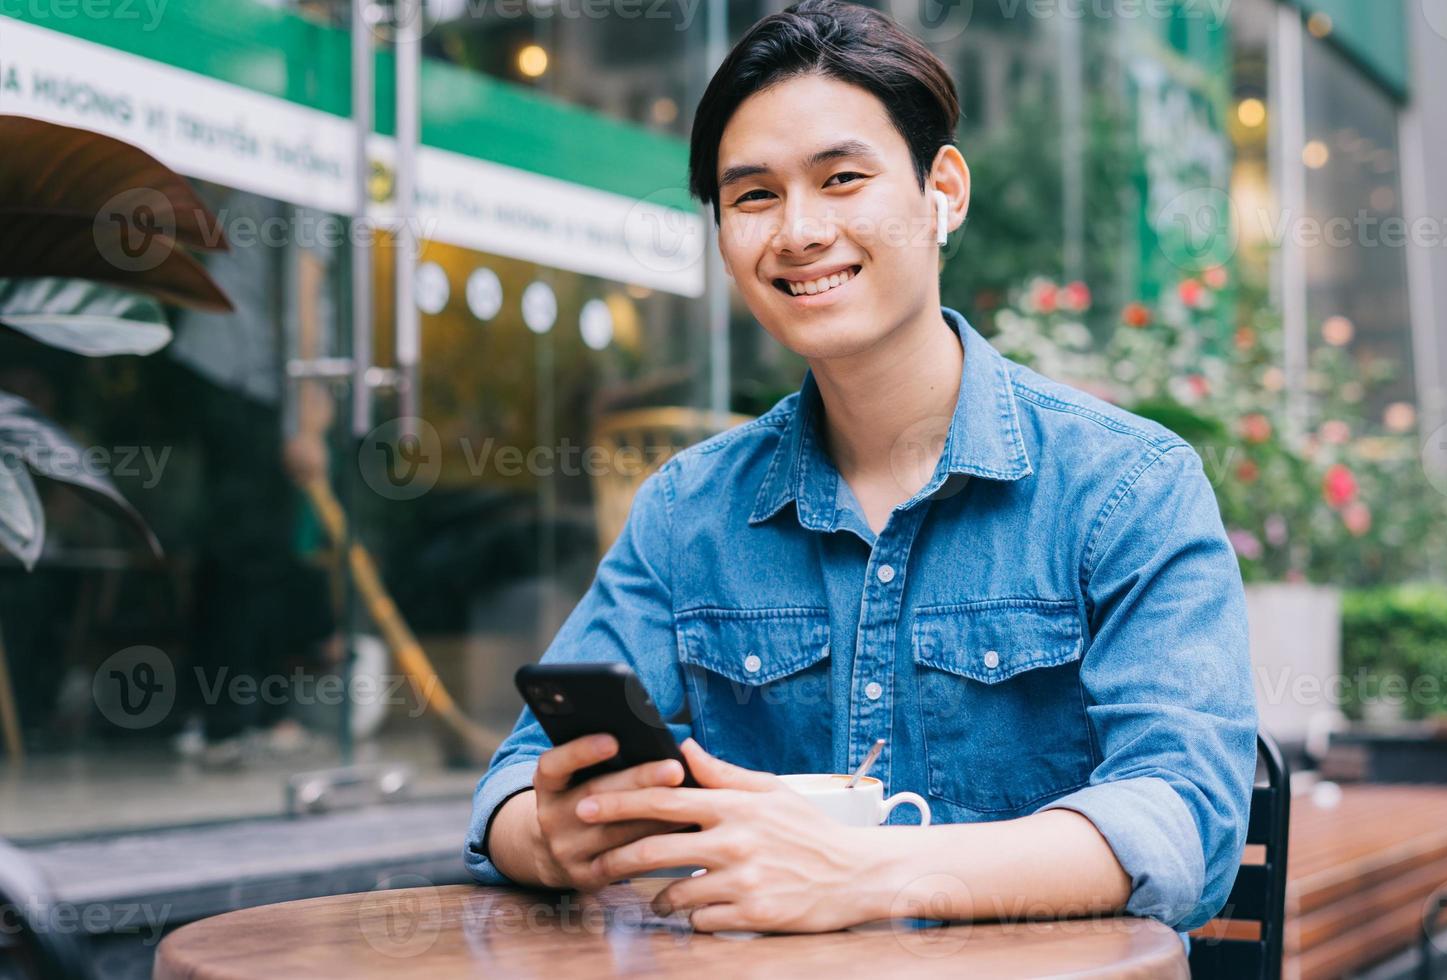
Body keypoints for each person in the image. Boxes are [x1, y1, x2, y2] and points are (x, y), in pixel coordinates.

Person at [465, 0, 1255, 935]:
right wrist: (554, 832)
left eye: (841, 178)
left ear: (942, 192)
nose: (797, 231)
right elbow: (510, 788)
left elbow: (1181, 819)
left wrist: (871, 872)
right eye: (753, 195)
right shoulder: (689, 510)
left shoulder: (1127, 486)